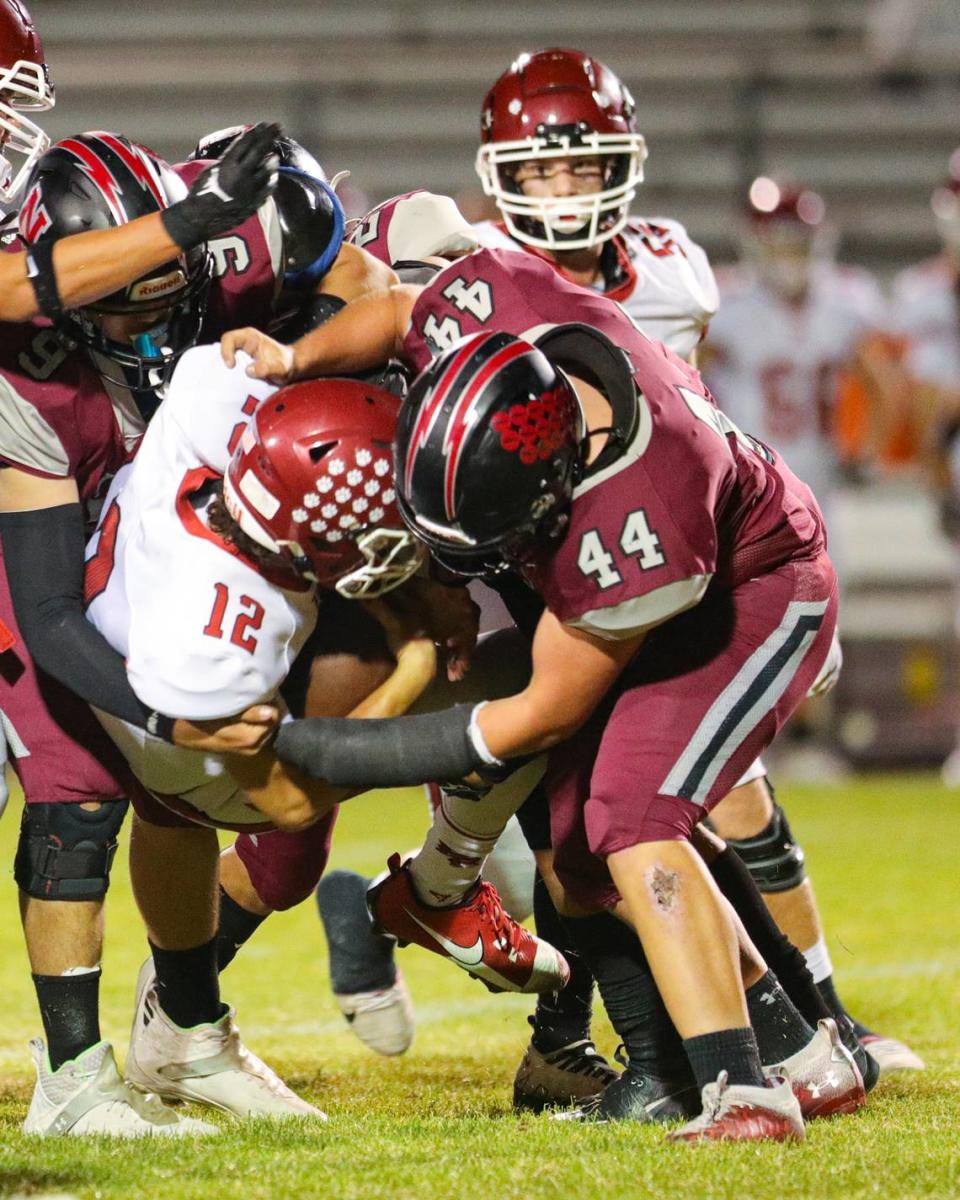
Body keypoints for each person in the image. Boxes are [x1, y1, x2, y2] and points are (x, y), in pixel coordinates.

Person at [223, 247, 870, 1139]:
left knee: (631, 820)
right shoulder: (508, 300)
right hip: (681, 566)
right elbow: (405, 308)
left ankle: (743, 1096)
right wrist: (294, 361)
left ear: (555, 484)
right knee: (573, 850)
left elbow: (536, 715)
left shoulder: (639, 509)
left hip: (755, 589)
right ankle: (801, 1053)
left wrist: (318, 750)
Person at [0, 127, 349, 1135]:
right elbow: (52, 614)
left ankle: (190, 1035)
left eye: (166, 285)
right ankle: (69, 1077)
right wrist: (167, 707)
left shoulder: (232, 267)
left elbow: (357, 270)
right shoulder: (31, 373)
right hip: (41, 550)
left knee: (192, 800)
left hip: (156, 532)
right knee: (75, 781)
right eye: (122, 295)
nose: (152, 321)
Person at [83, 345, 437, 1124]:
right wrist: (412, 668)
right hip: (168, 724)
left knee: (284, 867)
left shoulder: (218, 404)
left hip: (147, 603)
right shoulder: (219, 633)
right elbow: (290, 802)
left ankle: (180, 1005)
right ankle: (180, 1016)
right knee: (279, 840)